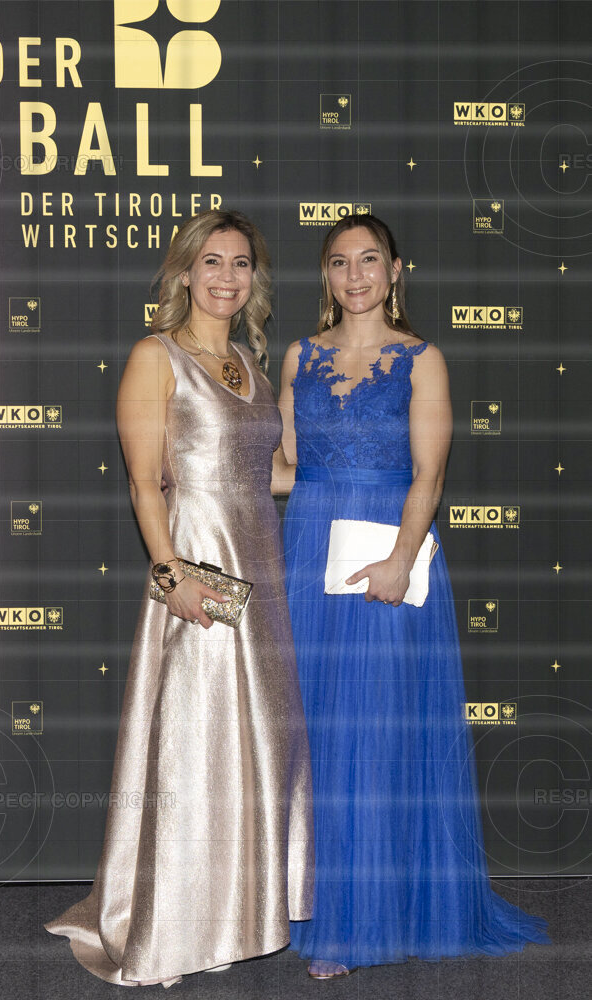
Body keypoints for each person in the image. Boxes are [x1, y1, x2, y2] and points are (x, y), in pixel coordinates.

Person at [272, 213, 551, 979]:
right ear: (324, 274)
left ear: (396, 270)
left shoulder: (422, 359)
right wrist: (207, 472)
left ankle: (361, 922)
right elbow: (288, 467)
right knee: (315, 737)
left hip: (388, 556)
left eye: (369, 259)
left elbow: (429, 473)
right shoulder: (298, 355)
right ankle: (312, 906)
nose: (354, 275)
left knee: (374, 737)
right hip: (309, 551)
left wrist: (399, 559)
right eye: (339, 262)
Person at [44, 209, 314, 987]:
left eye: (240, 264)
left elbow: (271, 477)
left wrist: (354, 462)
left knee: (256, 744)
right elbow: (143, 480)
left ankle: (241, 913)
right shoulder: (155, 356)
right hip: (198, 564)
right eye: (212, 262)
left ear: (253, 279)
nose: (227, 277)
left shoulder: (249, 364)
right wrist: (171, 577)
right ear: (185, 274)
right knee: (197, 742)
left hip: (260, 568)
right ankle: (178, 924)